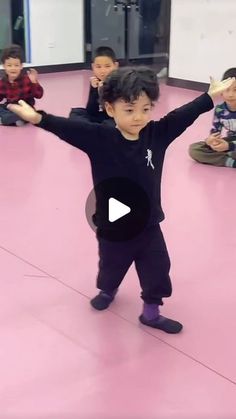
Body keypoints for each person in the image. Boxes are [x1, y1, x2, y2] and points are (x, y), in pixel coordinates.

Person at [8, 67, 234, 334]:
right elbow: (68, 129)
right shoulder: (100, 138)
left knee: (158, 270)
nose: (139, 117)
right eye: (129, 110)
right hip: (113, 226)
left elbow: (182, 115)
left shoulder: (156, 134)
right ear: (110, 108)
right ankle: (108, 289)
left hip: (149, 224)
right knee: (111, 267)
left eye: (146, 109)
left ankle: (151, 312)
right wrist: (37, 118)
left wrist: (208, 97)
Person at [189, 68, 236, 168]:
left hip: (231, 145)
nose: (231, 94)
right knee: (194, 149)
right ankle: (229, 161)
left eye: (235, 90)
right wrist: (211, 141)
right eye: (227, 89)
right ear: (221, 91)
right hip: (230, 141)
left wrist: (229, 146)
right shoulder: (220, 110)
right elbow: (216, 131)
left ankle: (229, 154)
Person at [69, 46, 118, 124]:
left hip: (116, 118)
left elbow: (113, 112)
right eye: (98, 67)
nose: (103, 71)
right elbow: (91, 111)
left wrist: (103, 93)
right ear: (93, 67)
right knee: (76, 113)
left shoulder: (120, 81)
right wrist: (94, 90)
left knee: (109, 124)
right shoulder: (96, 81)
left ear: (115, 66)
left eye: (107, 66)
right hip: (102, 117)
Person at [0, 44, 43, 126]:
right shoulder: (3, 82)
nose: (13, 68)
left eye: (16, 65)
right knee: (3, 108)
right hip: (10, 107)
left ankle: (11, 119)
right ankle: (15, 119)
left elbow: (39, 95)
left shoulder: (27, 80)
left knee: (30, 113)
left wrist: (34, 83)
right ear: (4, 66)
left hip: (25, 108)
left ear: (21, 66)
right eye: (9, 65)